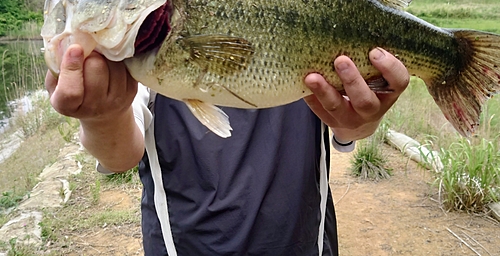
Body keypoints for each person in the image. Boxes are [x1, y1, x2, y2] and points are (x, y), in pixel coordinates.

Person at [46, 44, 409, 256]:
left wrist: (361, 121)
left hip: (303, 243)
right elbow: (120, 156)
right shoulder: (146, 36)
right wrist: (101, 118)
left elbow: (350, 128)